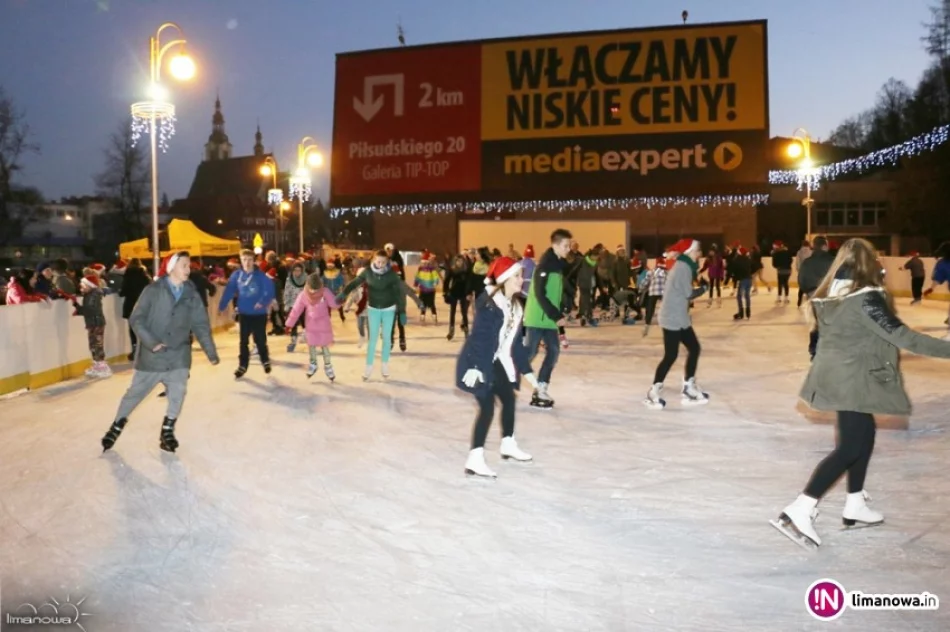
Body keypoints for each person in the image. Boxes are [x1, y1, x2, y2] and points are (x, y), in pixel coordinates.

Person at [772, 238, 950, 549]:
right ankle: (801, 507)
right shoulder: (864, 298)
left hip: (841, 376)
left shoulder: (833, 295)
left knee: (863, 435)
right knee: (850, 448)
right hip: (852, 379)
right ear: (870, 264)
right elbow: (902, 336)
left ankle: (855, 503)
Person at [101, 251, 220, 453]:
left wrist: (211, 352)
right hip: (153, 355)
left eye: (189, 266)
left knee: (178, 391)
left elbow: (200, 323)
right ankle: (117, 424)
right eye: (184, 265)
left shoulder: (191, 292)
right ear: (172, 267)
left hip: (178, 353)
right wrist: (151, 342)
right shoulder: (153, 290)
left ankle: (167, 430)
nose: (188, 269)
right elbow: (136, 318)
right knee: (135, 394)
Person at [456, 256, 539, 478]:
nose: (521, 280)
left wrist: (528, 373)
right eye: (517, 276)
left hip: (496, 360)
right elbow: (479, 339)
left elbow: (515, 345)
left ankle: (508, 444)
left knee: (509, 399)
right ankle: (475, 458)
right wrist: (475, 366)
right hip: (479, 360)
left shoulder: (516, 306)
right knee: (487, 407)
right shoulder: (489, 304)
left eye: (521, 276)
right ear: (503, 280)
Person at [643, 239, 709, 409]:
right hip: (672, 317)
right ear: (689, 252)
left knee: (694, 348)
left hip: (679, 316)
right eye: (697, 251)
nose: (699, 254)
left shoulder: (684, 266)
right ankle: (653, 391)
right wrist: (703, 288)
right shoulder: (683, 268)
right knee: (671, 355)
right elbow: (688, 293)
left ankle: (689, 387)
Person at [337, 249, 406, 380]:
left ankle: (384, 364)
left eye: (383, 262)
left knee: (386, 339)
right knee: (373, 339)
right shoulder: (368, 272)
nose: (380, 264)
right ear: (373, 260)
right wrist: (343, 293)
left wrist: (402, 311)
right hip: (373, 309)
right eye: (378, 261)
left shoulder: (391, 275)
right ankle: (368, 367)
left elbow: (398, 294)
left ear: (387, 262)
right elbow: (354, 283)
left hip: (389, 309)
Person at [523, 228, 572, 408]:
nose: (568, 249)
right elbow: (540, 294)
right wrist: (555, 314)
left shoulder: (558, 265)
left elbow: (557, 291)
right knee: (530, 353)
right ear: (555, 245)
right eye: (566, 246)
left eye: (569, 245)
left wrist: (565, 304)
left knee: (553, 351)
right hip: (537, 317)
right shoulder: (544, 265)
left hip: (549, 318)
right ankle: (501, 378)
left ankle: (541, 387)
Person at [218, 249, 275, 378]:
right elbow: (229, 291)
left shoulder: (260, 275)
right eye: (244, 260)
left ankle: (265, 360)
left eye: (249, 260)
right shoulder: (237, 275)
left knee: (260, 339)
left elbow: (269, 290)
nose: (247, 263)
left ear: (253, 260)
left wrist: (263, 301)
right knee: (243, 341)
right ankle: (242, 365)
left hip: (259, 314)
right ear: (241, 260)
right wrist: (222, 306)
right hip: (244, 313)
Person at [284, 273, 339, 381]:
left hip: (324, 325)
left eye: (316, 289)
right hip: (311, 325)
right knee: (312, 346)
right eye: (312, 289)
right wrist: (289, 324)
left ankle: (328, 366)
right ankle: (313, 364)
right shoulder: (304, 294)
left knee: (325, 347)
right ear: (308, 286)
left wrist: (340, 299)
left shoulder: (325, 292)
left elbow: (334, 304)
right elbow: (296, 309)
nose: (314, 292)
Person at [798, 236, 835, 359]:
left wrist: (807, 291)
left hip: (812, 294)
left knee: (815, 322)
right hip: (829, 294)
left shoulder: (807, 262)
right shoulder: (833, 261)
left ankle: (814, 348)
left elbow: (801, 280)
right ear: (824, 246)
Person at [73, 274, 111, 378]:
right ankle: (97, 365)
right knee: (93, 345)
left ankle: (103, 367)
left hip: (96, 323)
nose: (81, 288)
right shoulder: (89, 294)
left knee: (97, 345)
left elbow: (90, 310)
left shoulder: (93, 295)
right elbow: (89, 309)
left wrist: (78, 308)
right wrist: (79, 309)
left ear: (90, 285)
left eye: (83, 285)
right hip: (93, 323)